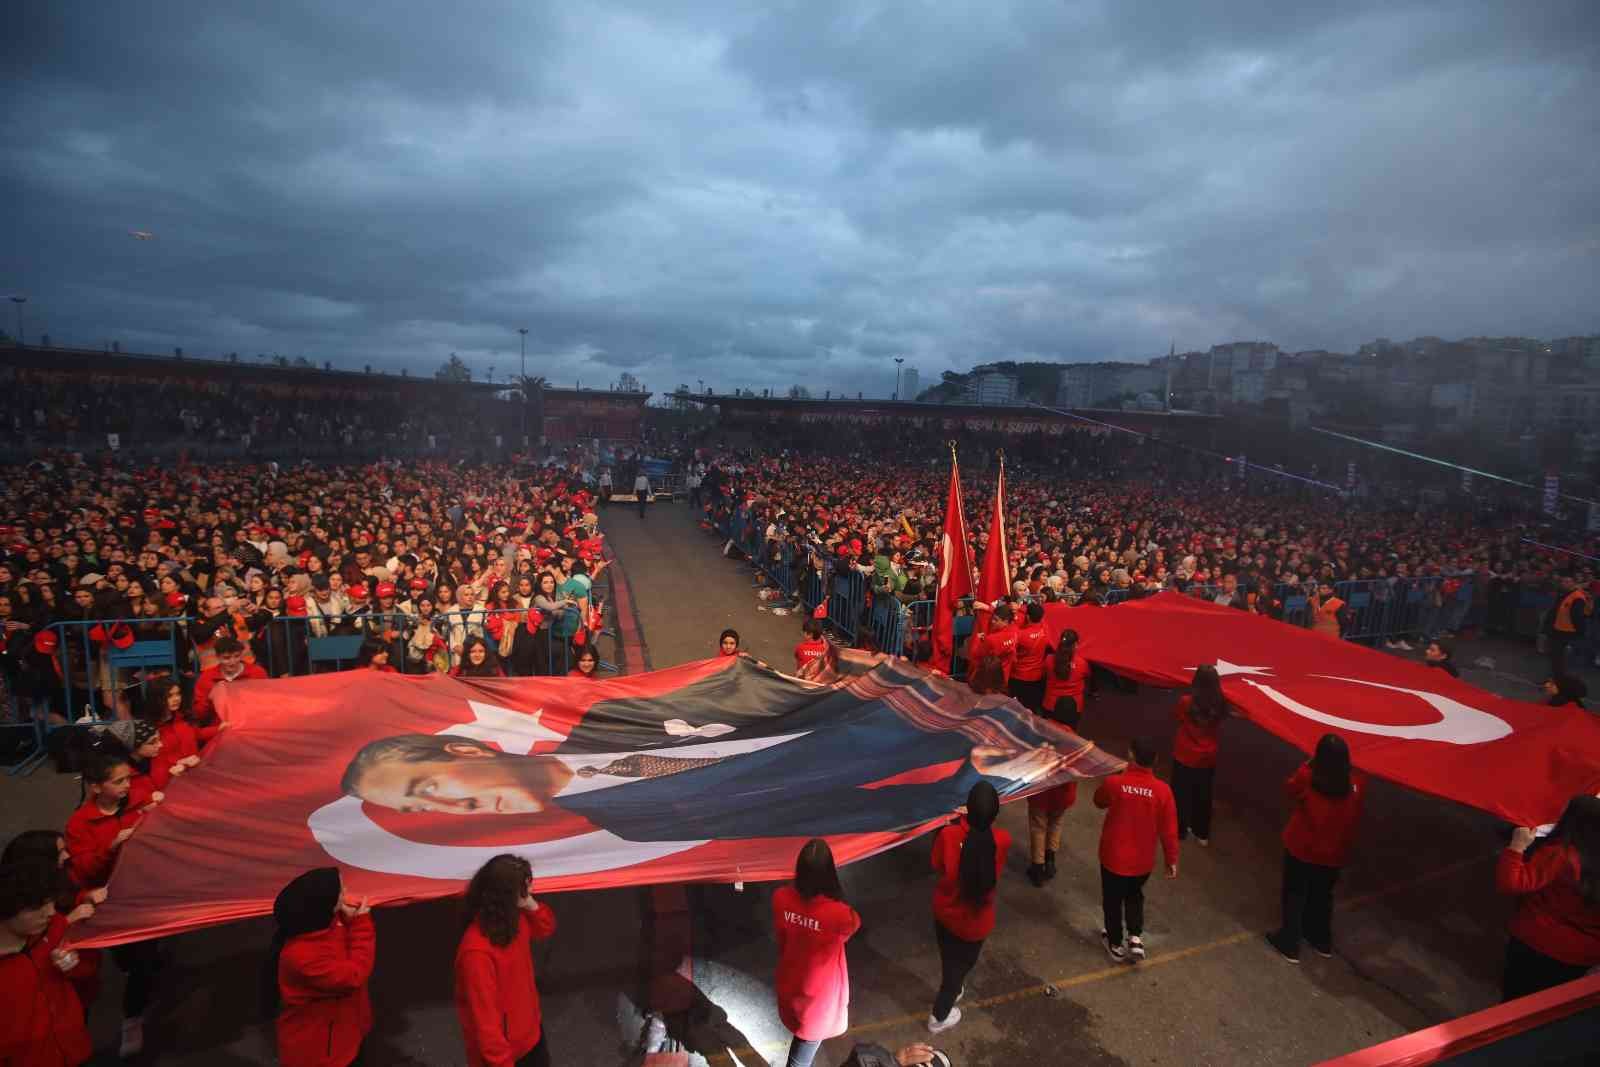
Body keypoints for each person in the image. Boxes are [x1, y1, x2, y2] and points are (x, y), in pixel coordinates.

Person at [1266, 734, 1363, 963]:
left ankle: (1289, 941)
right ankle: (1320, 939)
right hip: (1333, 854)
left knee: (1294, 893)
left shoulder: (1307, 777)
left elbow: (1290, 789)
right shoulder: (1356, 785)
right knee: (1322, 896)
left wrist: (1306, 763)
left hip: (1302, 848)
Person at [455, 854, 557, 1067]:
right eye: (524, 888)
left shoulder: (516, 919)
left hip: (531, 1035)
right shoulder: (476, 953)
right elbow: (486, 1024)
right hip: (505, 1056)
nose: (530, 892)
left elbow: (545, 927)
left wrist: (530, 904)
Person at [267, 868, 376, 1067]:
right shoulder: (302, 958)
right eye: (341, 892)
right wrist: (360, 925)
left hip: (339, 1035)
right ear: (326, 907)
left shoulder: (317, 926)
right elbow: (354, 975)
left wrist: (347, 920)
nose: (346, 893)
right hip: (322, 1053)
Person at [1496, 795, 1600, 1001]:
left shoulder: (1560, 854)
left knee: (1514, 1003)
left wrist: (1517, 846)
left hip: (1536, 943)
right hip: (1580, 958)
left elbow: (1510, 882)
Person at [927, 781, 1008, 1035]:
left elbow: (937, 864)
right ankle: (938, 1016)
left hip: (945, 914)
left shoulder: (948, 836)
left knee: (950, 960)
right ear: (995, 814)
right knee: (958, 969)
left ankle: (952, 988)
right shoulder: (1001, 840)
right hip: (976, 924)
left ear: (966, 809)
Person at [772, 839, 862, 1067]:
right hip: (818, 1001)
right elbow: (854, 924)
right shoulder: (840, 915)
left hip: (791, 983)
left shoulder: (780, 898)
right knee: (800, 1059)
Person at [0, 860, 97, 1066]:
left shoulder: (54, 926)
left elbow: (87, 971)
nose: (51, 912)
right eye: (39, 906)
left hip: (74, 1050)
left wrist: (74, 966)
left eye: (51, 902)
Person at [1093, 738, 1178, 964]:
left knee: (1112, 900)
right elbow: (1169, 830)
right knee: (1134, 896)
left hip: (1113, 857)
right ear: (1155, 761)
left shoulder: (1115, 783)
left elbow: (1098, 801)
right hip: (1142, 861)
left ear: (1131, 755)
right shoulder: (1163, 791)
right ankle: (1135, 937)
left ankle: (1114, 942)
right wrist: (1171, 859)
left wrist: (1116, 778)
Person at [1172, 664, 1227, 846]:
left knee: (1180, 793)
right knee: (1203, 794)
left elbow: (1178, 717)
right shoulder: (1220, 703)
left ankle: (1180, 830)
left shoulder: (1186, 701)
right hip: (1207, 758)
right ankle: (1201, 832)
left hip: (1184, 754)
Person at [1025, 722, 1078, 887]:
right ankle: (1050, 861)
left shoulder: (1040, 731)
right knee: (1055, 824)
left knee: (1038, 827)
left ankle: (1037, 868)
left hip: (1040, 793)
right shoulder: (1075, 740)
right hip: (1062, 794)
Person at [191, 635, 265, 732]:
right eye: (226, 658)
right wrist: (209, 699)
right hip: (220, 730)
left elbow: (267, 706)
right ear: (217, 657)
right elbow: (198, 715)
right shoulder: (207, 678)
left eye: (236, 656)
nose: (232, 662)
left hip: (251, 728)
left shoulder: (257, 673)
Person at [1007, 602, 1049, 714]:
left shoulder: (1020, 634)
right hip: (1037, 677)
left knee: (1015, 710)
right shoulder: (1045, 628)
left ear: (1028, 617)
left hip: (1019, 676)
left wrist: (1018, 609)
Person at [1546, 575, 1591, 679]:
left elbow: (1578, 617)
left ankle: (1562, 680)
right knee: (1556, 657)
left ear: (1573, 583)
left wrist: (1578, 633)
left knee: (1564, 658)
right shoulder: (1564, 594)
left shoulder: (1577, 597)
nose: (1564, 583)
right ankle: (1556, 678)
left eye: (1567, 581)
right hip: (1558, 630)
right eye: (1563, 581)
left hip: (1568, 632)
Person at [1041, 629, 1087, 729]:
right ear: (1075, 645)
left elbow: (1044, 674)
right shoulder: (1082, 663)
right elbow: (1086, 677)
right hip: (1073, 708)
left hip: (1050, 705)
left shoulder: (1048, 659)